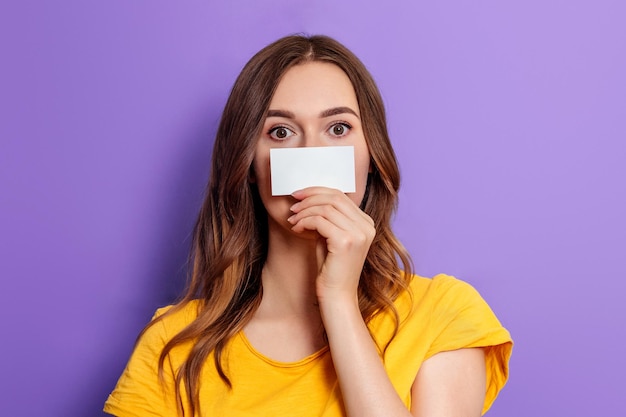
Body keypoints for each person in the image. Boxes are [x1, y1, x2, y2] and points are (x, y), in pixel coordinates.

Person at [104, 34, 512, 417]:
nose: (312, 155)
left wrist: (338, 300)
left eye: (338, 129)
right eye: (281, 132)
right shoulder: (173, 345)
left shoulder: (443, 313)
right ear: (248, 164)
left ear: (370, 156)